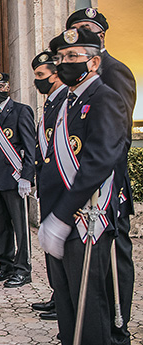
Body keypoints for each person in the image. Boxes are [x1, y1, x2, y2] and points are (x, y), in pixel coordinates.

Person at [39, 28, 127, 345]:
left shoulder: (105, 98)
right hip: (61, 216)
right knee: (67, 303)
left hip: (84, 219)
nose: (65, 63)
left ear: (93, 62)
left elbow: (98, 163)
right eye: (61, 58)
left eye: (73, 56)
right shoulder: (67, 102)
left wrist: (61, 216)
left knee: (90, 309)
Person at [67, 9, 137, 344]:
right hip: (81, 180)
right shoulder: (73, 76)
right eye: (76, 29)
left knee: (115, 254)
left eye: (87, 29)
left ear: (101, 35)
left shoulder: (114, 71)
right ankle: (94, 315)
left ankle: (119, 323)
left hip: (108, 184)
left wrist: (101, 174)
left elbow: (120, 134)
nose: (81, 33)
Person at [0, 72, 35, 288]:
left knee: (20, 228)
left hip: (15, 180)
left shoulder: (21, 111)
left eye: (1, 87)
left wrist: (26, 177)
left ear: (8, 87)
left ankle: (23, 269)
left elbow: (30, 147)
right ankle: (5, 265)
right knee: (0, 227)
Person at [29, 51, 67, 321]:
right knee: (52, 250)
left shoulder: (66, 101)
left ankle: (63, 299)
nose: (38, 81)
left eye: (41, 76)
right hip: (48, 187)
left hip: (62, 188)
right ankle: (58, 295)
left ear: (56, 74)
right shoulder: (51, 104)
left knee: (62, 248)